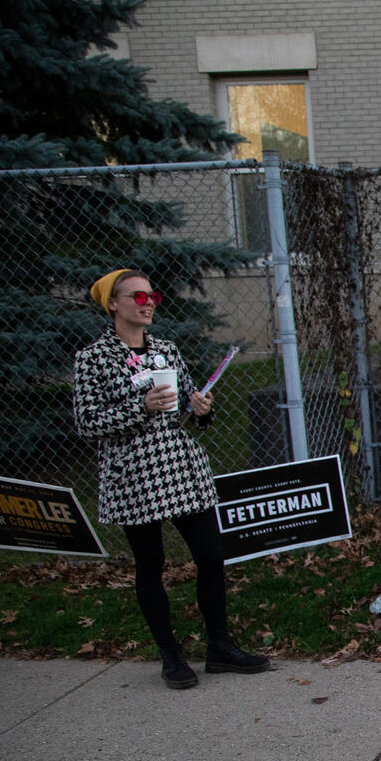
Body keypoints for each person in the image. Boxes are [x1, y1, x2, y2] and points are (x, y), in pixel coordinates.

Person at [72, 269, 270, 689]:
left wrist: (200, 408)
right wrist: (138, 407)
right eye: (137, 296)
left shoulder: (166, 349)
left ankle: (220, 646)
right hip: (135, 475)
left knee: (211, 556)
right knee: (151, 564)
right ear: (113, 304)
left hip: (180, 468)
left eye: (152, 296)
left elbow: (184, 407)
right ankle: (170, 655)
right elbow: (88, 422)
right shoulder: (94, 357)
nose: (147, 304)